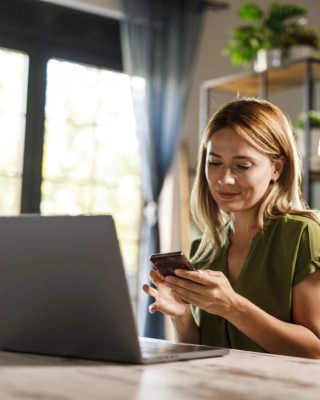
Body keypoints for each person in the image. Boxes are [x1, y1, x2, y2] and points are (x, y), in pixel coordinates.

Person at [142, 96, 320, 359]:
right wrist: (181, 315)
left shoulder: (302, 235)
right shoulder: (204, 250)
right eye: (214, 163)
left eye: (242, 166)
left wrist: (232, 306)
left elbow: (315, 352)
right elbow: (203, 347)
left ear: (276, 168)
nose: (224, 179)